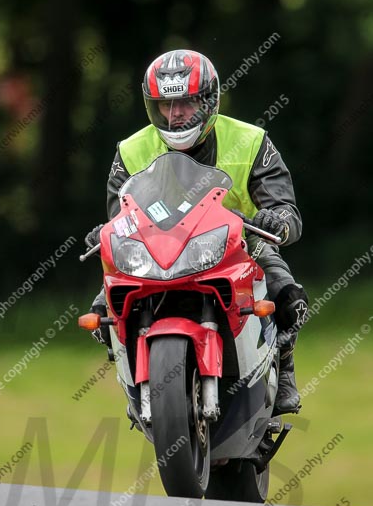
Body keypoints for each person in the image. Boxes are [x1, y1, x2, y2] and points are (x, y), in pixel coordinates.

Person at [85, 49, 308, 415]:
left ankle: (283, 368)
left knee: (286, 293)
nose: (175, 114)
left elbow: (287, 211)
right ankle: (131, 373)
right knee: (102, 306)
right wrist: (104, 234)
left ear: (209, 100)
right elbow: (119, 220)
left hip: (239, 244)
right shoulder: (130, 150)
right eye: (165, 105)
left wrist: (277, 220)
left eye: (185, 103)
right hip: (155, 250)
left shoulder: (251, 141)